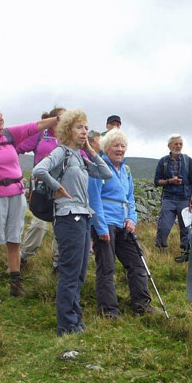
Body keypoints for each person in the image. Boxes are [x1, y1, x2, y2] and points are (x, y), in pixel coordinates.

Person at [32, 109, 112, 336]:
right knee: (70, 272)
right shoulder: (62, 152)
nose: (84, 131)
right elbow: (39, 169)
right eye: (79, 127)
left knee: (79, 273)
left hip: (83, 217)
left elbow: (107, 174)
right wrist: (57, 188)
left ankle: (75, 319)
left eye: (86, 127)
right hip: (68, 217)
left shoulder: (80, 156)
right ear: (68, 129)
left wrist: (90, 150)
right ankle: (66, 324)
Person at [0, 104, 60, 304]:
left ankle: (16, 284)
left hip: (16, 193)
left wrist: (58, 119)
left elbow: (34, 127)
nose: (1, 118)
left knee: (14, 239)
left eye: (1, 115)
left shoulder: (9, 135)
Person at [88, 129, 161, 318]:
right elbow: (94, 199)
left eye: (122, 146)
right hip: (106, 223)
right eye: (115, 145)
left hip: (124, 223)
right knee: (107, 267)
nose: (119, 149)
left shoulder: (126, 170)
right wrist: (101, 227)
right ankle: (108, 311)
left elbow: (130, 198)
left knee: (136, 263)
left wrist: (132, 219)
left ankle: (141, 305)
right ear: (106, 148)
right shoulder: (99, 168)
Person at [16, 107, 66, 274]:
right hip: (41, 187)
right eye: (61, 118)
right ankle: (22, 258)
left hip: (62, 188)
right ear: (52, 119)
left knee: (61, 223)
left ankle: (58, 265)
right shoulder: (41, 135)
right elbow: (17, 147)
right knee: (39, 224)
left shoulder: (69, 138)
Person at [153, 134, 192, 260]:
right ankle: (160, 249)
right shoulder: (163, 162)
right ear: (169, 146)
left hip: (185, 198)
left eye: (180, 144)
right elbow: (156, 181)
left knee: (186, 227)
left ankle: (186, 251)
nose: (178, 146)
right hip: (168, 198)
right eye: (175, 143)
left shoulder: (188, 161)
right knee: (164, 225)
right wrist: (169, 181)